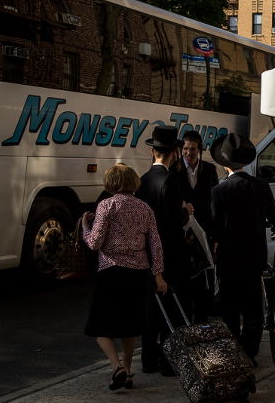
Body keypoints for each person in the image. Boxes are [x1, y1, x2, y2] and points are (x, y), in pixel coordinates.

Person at [82, 163, 167, 391]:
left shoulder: (106, 206)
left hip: (111, 270)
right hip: (138, 272)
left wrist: (84, 227)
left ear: (111, 184)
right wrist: (158, 275)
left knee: (99, 326)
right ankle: (128, 372)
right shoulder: (144, 208)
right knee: (129, 326)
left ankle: (116, 366)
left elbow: (95, 243)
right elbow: (155, 245)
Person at [209, 132, 275, 365]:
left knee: (230, 309)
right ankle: (250, 351)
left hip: (229, 257)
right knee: (253, 308)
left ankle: (236, 351)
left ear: (225, 165)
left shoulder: (219, 191)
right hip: (254, 255)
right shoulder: (261, 186)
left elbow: (215, 228)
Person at [136, 125, 193, 376]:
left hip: (147, 249)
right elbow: (172, 219)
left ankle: (148, 359)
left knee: (152, 306)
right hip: (170, 249)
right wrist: (186, 212)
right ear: (174, 152)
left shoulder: (144, 180)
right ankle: (169, 363)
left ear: (153, 152)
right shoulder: (170, 180)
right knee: (173, 304)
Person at [176, 129, 220, 322]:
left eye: (192, 149)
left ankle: (202, 320)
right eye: (185, 149)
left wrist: (216, 235)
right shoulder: (175, 169)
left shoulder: (209, 170)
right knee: (185, 276)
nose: (188, 153)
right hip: (183, 231)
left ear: (199, 150)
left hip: (205, 231)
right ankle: (185, 319)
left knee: (204, 276)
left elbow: (215, 203)